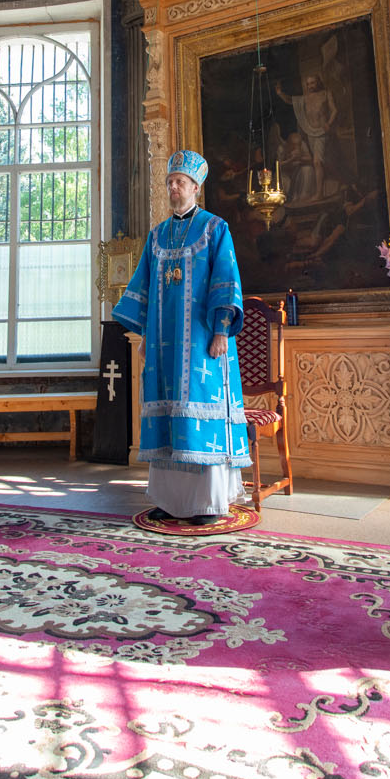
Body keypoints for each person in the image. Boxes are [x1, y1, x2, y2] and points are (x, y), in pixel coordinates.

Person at [112, 150, 250, 524]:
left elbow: (226, 281)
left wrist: (221, 330)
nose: (174, 187)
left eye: (181, 182)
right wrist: (144, 335)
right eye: (170, 182)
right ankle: (170, 500)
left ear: (195, 187)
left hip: (203, 340)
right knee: (167, 414)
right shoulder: (157, 235)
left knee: (197, 412)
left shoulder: (215, 228)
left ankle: (207, 503)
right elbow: (143, 287)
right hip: (163, 343)